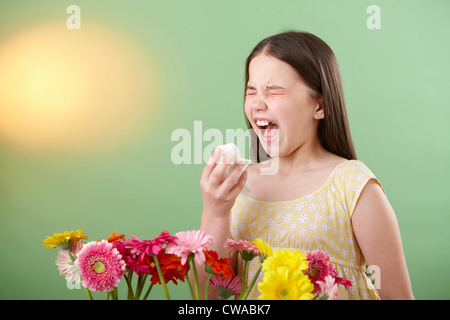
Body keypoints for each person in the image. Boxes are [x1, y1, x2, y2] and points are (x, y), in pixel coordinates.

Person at [199, 31, 414, 300]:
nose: (257, 102)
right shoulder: (239, 187)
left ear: (320, 106)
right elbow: (210, 297)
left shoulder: (352, 186)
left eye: (274, 90)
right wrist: (216, 211)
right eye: (251, 90)